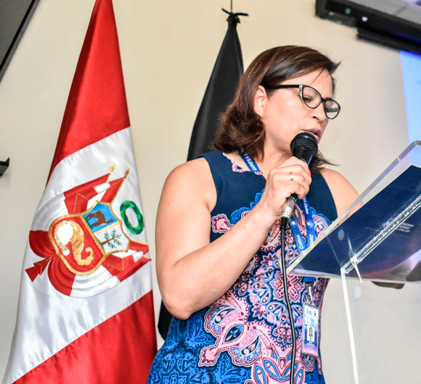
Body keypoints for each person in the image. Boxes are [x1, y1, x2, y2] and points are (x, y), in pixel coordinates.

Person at [147, 46, 358, 384]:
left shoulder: (332, 187)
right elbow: (179, 297)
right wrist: (264, 210)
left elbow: (393, 257)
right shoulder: (197, 177)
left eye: (326, 105)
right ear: (261, 100)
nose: (320, 115)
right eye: (308, 97)